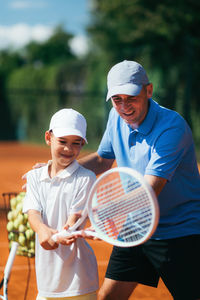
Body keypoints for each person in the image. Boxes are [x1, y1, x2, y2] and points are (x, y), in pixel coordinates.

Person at [77, 60, 200, 300]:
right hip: (136, 225)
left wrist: (102, 216)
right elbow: (103, 159)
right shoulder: (115, 116)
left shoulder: (172, 127)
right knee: (108, 298)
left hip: (179, 229)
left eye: (131, 97)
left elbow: (149, 190)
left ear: (149, 90)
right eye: (117, 99)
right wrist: (61, 170)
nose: (124, 106)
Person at [23, 108, 99, 300]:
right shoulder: (34, 177)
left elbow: (73, 222)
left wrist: (65, 232)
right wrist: (41, 230)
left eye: (76, 143)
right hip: (46, 283)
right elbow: (33, 212)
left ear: (83, 143)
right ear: (48, 138)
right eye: (62, 142)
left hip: (79, 285)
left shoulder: (86, 178)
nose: (68, 149)